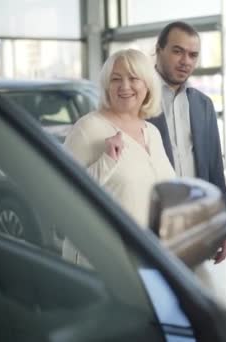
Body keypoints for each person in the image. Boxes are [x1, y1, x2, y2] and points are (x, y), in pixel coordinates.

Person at [64, 49, 174, 231]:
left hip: (148, 251)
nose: (124, 86)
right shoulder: (88, 128)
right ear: (107, 86)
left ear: (148, 85)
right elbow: (63, 192)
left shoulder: (152, 132)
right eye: (116, 79)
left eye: (133, 78)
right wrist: (106, 162)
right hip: (103, 252)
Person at [149, 21, 226, 264]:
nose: (186, 61)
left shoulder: (203, 104)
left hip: (193, 222)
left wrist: (223, 225)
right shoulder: (139, 98)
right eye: (177, 51)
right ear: (159, 49)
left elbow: (215, 167)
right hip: (151, 219)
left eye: (193, 55)